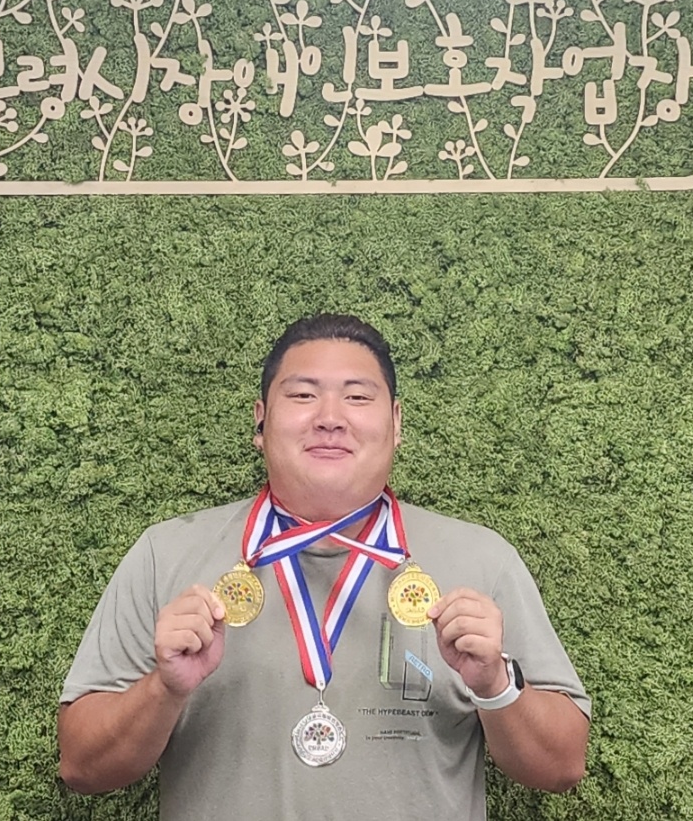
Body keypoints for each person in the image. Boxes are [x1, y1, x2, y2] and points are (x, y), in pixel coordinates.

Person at [58, 314, 590, 819]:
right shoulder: (167, 554)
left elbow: (562, 766)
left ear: (396, 423)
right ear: (260, 421)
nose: (330, 418)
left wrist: (494, 683)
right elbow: (82, 766)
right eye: (302, 395)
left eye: (357, 397)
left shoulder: (482, 561)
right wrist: (165, 689)